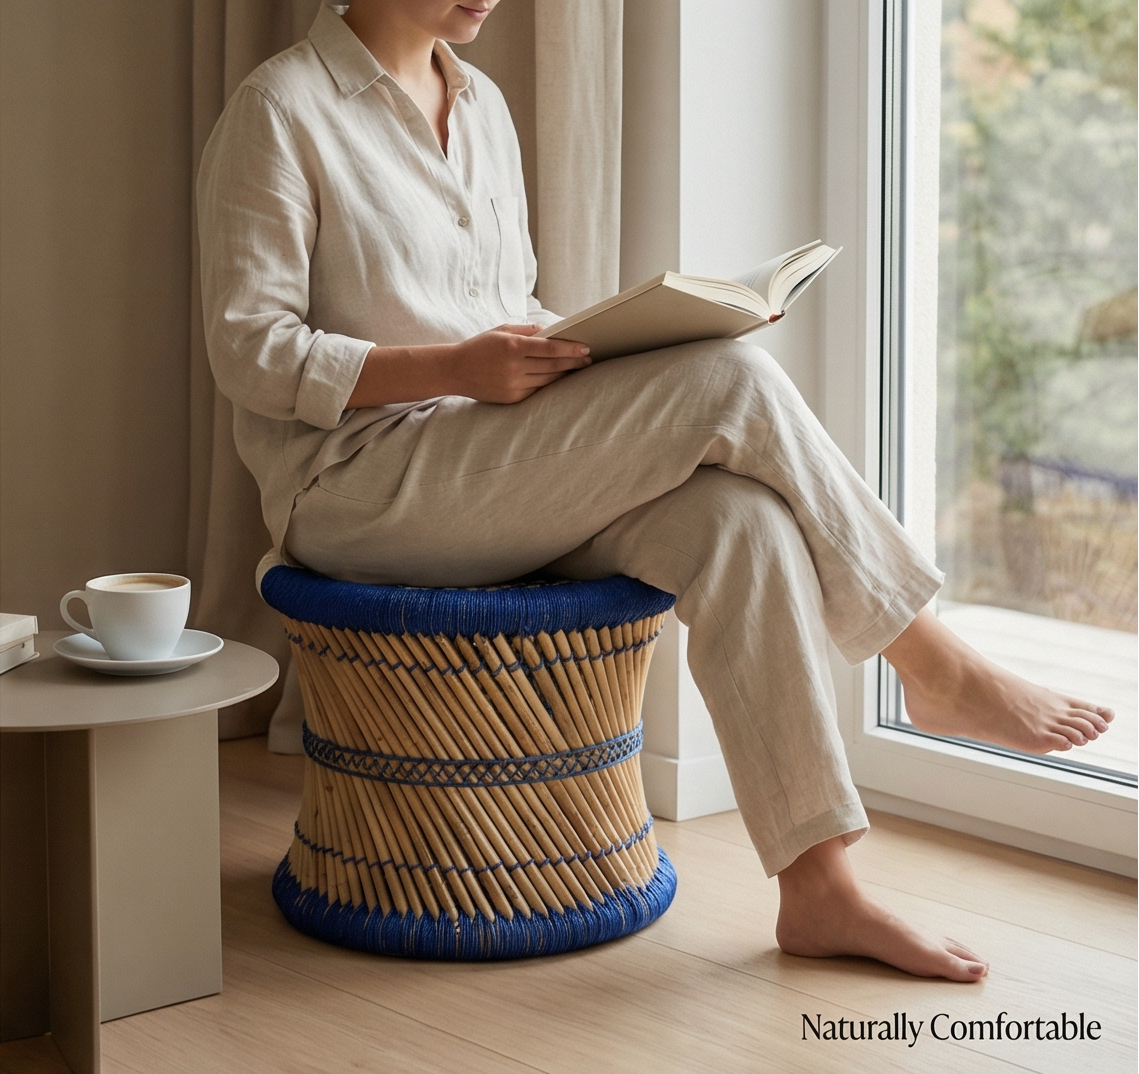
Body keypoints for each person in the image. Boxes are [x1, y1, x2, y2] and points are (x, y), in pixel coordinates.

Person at [197, 0, 1113, 983]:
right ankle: (930, 661)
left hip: (483, 460)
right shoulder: (280, 108)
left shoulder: (483, 106)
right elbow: (248, 350)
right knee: (736, 380)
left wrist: (591, 345)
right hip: (360, 488)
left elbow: (501, 309)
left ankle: (817, 888)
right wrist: (454, 368)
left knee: (736, 520)